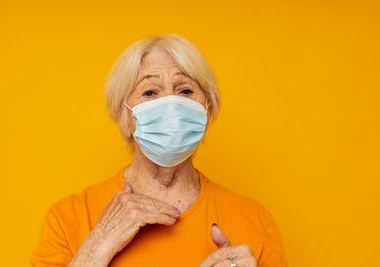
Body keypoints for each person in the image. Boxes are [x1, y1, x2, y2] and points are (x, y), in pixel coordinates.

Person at [31, 34, 287, 267]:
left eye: (185, 90)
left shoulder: (253, 219)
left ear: (206, 111)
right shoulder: (68, 219)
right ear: (124, 117)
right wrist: (98, 246)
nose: (171, 106)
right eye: (150, 92)